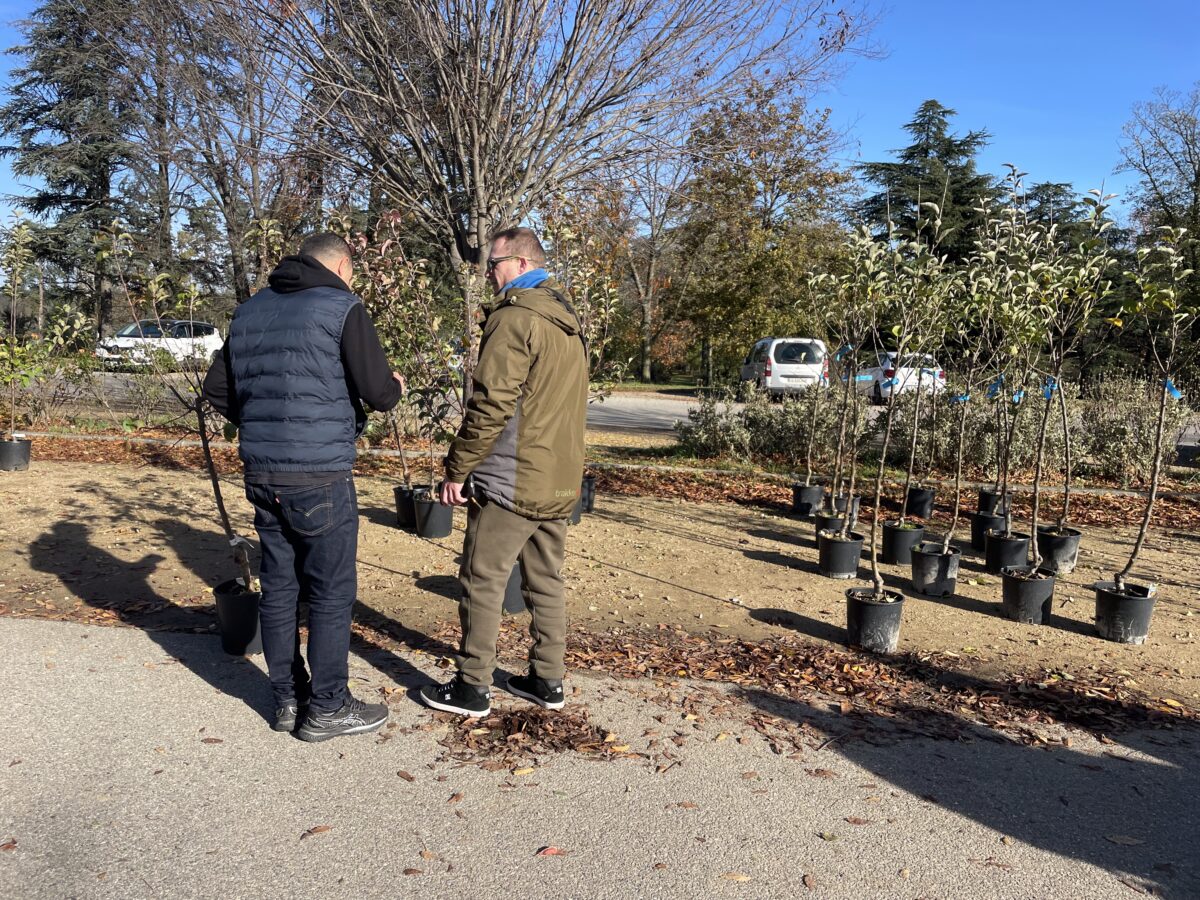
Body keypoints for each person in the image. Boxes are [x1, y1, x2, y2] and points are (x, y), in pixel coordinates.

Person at [202, 233, 403, 742]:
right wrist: (397, 384)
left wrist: (266, 425)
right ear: (340, 265)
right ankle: (329, 706)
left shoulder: (249, 311)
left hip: (263, 472)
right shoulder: (341, 306)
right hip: (320, 473)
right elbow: (379, 393)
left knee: (280, 588)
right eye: (352, 272)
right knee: (331, 595)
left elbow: (217, 391)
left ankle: (289, 701)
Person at [419, 226, 588, 717]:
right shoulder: (567, 320)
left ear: (518, 263)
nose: (487, 275)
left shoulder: (516, 318)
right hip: (557, 477)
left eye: (492, 265)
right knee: (546, 580)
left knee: (481, 576)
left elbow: (491, 404)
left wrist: (458, 467)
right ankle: (547, 680)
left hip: (513, 477)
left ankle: (472, 687)